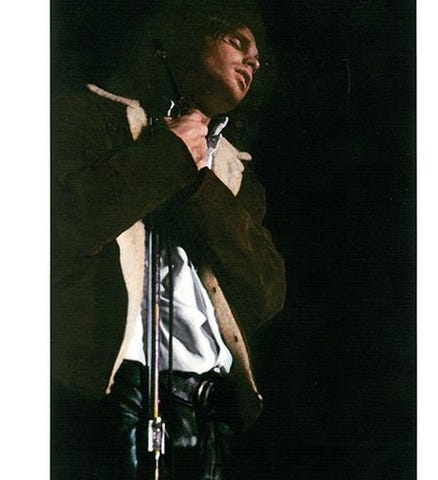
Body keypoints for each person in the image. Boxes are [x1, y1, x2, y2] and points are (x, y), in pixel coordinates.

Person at [51, 1, 286, 479]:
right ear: (184, 39)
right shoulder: (86, 116)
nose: (253, 61)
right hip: (110, 393)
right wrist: (166, 156)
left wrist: (198, 184)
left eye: (258, 55)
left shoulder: (236, 170)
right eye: (236, 42)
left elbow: (266, 292)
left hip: (207, 408)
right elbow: (61, 229)